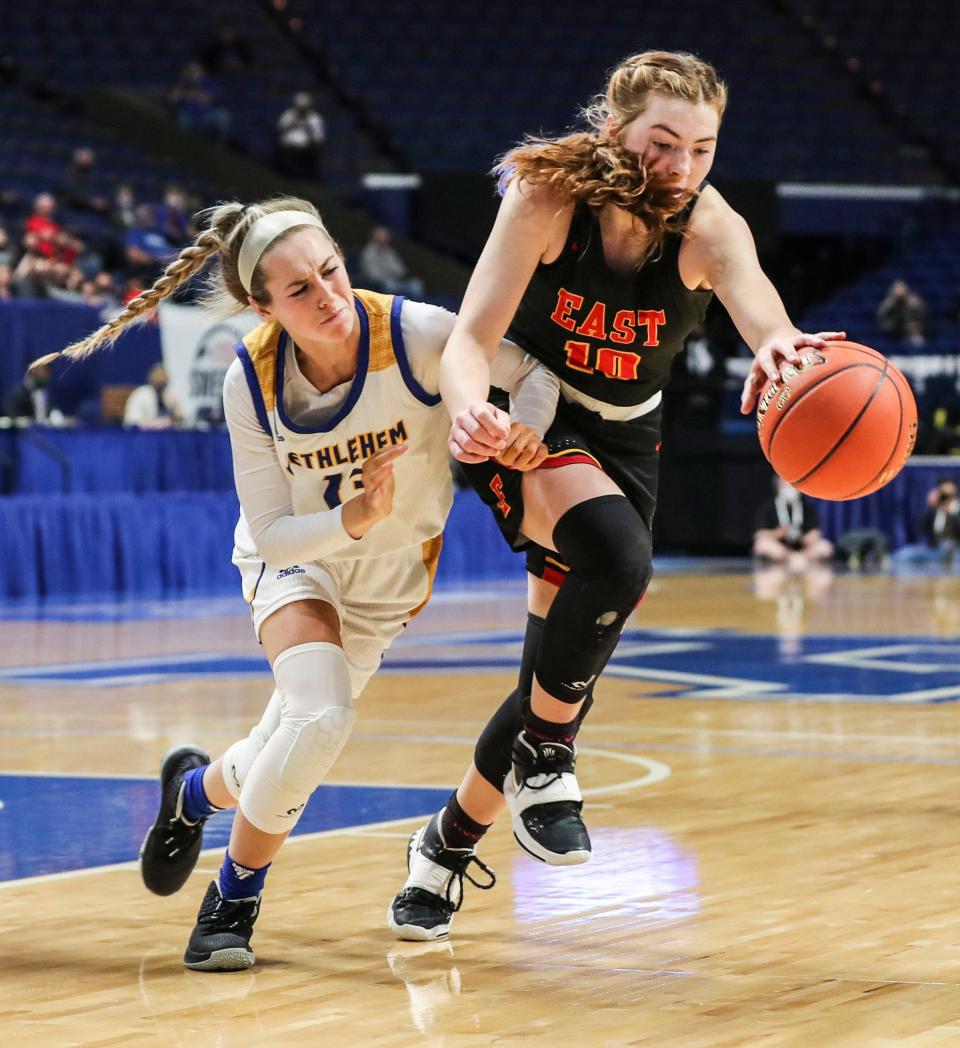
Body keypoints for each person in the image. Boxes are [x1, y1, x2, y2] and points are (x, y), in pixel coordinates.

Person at [32, 196, 558, 970]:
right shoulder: (249, 377)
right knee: (319, 720)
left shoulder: (417, 333)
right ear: (263, 306)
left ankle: (194, 794)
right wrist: (352, 516)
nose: (328, 296)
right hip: (296, 561)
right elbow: (275, 533)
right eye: (300, 291)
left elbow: (533, 371)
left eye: (331, 271)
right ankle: (233, 900)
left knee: (284, 743)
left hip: (388, 578)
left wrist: (525, 431)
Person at [387, 49, 844, 941]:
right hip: (528, 408)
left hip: (630, 434)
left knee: (550, 673)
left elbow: (762, 309)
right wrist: (471, 409)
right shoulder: (547, 200)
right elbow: (470, 339)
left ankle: (447, 843)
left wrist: (785, 347)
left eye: (701, 150)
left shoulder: (712, 228)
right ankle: (551, 759)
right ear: (615, 130)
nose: (680, 167)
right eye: (662, 143)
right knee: (619, 559)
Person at [752, 476, 833, 569]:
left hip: (803, 550)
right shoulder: (768, 507)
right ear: (777, 487)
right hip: (780, 548)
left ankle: (798, 559)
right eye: (785, 485)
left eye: (791, 485)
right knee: (762, 545)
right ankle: (790, 558)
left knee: (825, 546)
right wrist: (777, 533)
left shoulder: (807, 507)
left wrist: (808, 538)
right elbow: (759, 534)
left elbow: (815, 532)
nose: (789, 488)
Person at [358, 226, 424, 297]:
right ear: (374, 237)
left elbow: (401, 270)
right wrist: (390, 271)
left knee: (416, 284)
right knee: (389, 285)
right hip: (382, 283)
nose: (384, 238)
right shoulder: (368, 252)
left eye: (385, 236)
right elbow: (374, 275)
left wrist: (387, 258)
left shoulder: (390, 251)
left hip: (396, 281)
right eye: (380, 236)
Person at [275, 92, 326, 179]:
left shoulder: (314, 118)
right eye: (300, 106)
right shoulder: (289, 115)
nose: (302, 109)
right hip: (288, 147)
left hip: (306, 149)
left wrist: (310, 133)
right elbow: (280, 128)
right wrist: (293, 122)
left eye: (304, 107)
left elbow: (319, 138)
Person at [123, 362, 182, 428]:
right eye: (159, 380)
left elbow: (180, 419)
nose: (162, 382)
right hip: (141, 435)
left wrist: (175, 414)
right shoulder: (141, 395)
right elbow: (133, 423)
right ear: (152, 379)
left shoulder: (169, 396)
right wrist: (161, 423)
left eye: (164, 382)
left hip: (165, 435)